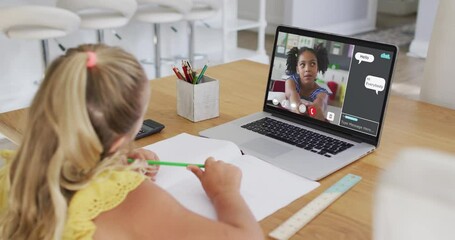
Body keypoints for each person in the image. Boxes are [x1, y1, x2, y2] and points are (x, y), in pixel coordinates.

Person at [0, 44, 263, 240]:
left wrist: (110, 167)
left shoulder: (13, 173)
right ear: (121, 137)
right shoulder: (133, 200)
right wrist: (224, 192)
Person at [285, 44, 330, 121]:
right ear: (297, 69)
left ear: (317, 68)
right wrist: (298, 107)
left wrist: (316, 110)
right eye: (302, 64)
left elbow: (321, 102)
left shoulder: (322, 93)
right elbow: (292, 95)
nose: (307, 69)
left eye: (312, 64)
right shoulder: (291, 81)